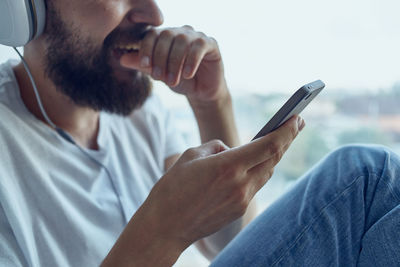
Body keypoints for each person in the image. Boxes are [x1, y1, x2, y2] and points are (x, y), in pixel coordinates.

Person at [0, 0, 399, 266]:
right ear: (25, 10)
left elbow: (228, 240)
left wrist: (212, 102)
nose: (153, 14)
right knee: (367, 176)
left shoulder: (141, 112)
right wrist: (165, 227)